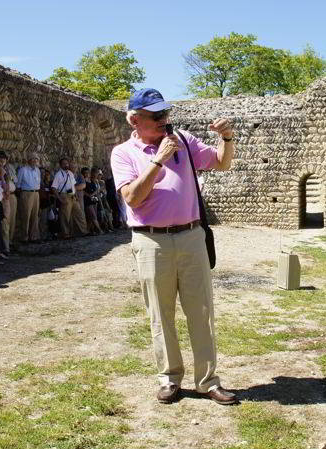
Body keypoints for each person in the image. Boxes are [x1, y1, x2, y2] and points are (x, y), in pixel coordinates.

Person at [110, 88, 237, 405]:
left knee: (202, 311)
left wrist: (227, 139)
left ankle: (208, 381)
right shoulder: (123, 153)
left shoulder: (184, 139)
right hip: (151, 240)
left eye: (166, 114)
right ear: (134, 119)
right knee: (160, 313)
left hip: (191, 236)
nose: (165, 121)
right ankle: (170, 378)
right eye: (156, 116)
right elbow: (132, 198)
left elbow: (221, 163)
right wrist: (158, 160)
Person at [50, 157, 86, 239]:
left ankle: (83, 231)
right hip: (64, 196)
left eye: (67, 163)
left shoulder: (70, 173)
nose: (66, 165)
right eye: (64, 163)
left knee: (79, 214)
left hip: (72, 196)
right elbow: (54, 188)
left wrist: (76, 195)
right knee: (65, 216)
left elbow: (73, 185)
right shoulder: (58, 174)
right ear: (60, 165)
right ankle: (66, 234)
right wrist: (59, 198)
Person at [16, 154, 41, 244]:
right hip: (26, 193)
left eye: (36, 159)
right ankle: (24, 237)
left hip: (36, 193)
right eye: (33, 158)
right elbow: (18, 184)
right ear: (29, 160)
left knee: (35, 215)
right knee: (26, 215)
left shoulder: (37, 170)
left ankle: (34, 236)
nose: (34, 160)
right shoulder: (23, 170)